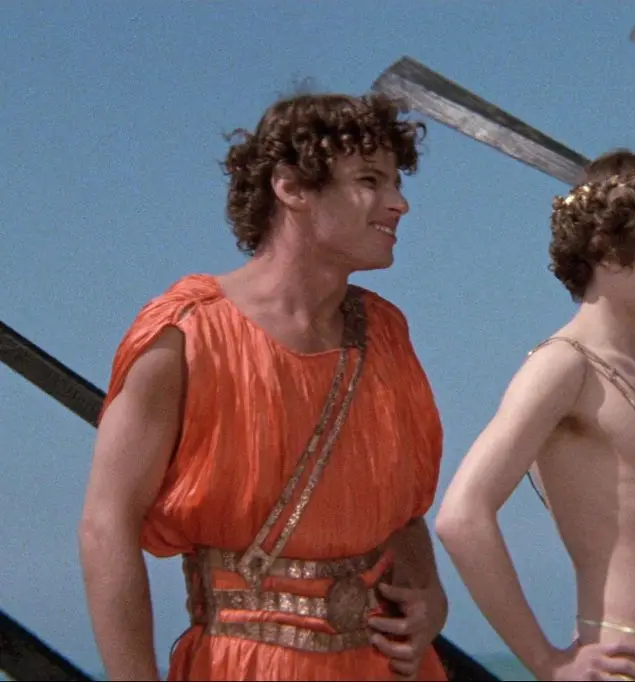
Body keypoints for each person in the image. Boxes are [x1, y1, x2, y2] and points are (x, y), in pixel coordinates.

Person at [78, 91, 452, 681]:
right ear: (292, 187)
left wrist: (429, 593)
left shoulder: (386, 333)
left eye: (395, 183)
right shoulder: (186, 334)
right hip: (247, 664)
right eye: (369, 180)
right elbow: (106, 525)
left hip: (389, 665)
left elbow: (402, 512)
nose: (398, 203)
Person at [435, 150, 635, 681]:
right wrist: (546, 662)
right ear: (606, 246)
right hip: (626, 668)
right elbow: (461, 515)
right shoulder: (563, 367)